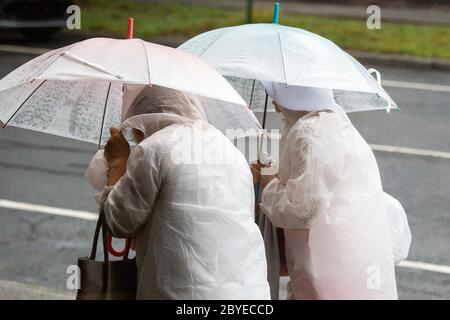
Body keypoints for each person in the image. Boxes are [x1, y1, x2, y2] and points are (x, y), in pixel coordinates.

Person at [100, 85, 270, 300]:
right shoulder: (231, 152)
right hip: (248, 292)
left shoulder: (154, 148)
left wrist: (117, 161)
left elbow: (118, 220)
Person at [252, 85, 400, 300]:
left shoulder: (309, 133)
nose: (273, 101)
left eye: (275, 90)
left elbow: (302, 210)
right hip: (355, 251)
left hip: (327, 260)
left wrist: (269, 183)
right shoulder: (334, 121)